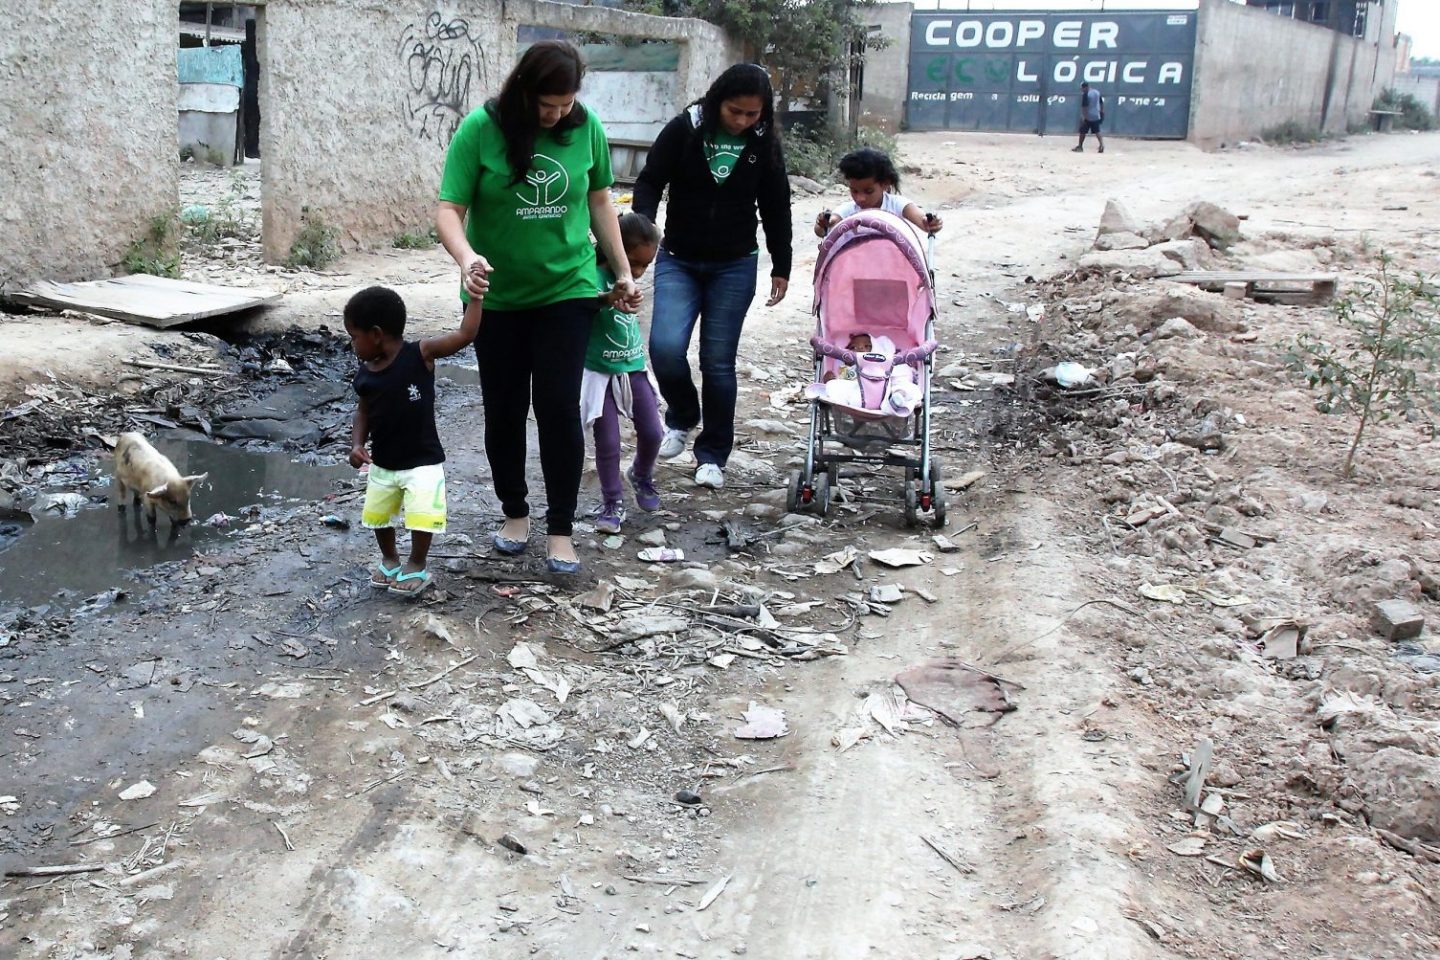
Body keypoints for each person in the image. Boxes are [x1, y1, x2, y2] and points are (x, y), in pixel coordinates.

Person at [436, 40, 640, 575]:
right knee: (504, 409)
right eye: (546, 105)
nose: (555, 115)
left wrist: (619, 270)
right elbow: (449, 208)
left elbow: (600, 201)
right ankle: (514, 513)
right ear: (523, 91)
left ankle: (561, 528)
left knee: (557, 406)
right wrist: (466, 257)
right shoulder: (480, 129)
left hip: (566, 290)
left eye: (564, 105)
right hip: (496, 295)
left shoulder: (586, 125)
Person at [633, 63, 793, 491]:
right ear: (717, 100)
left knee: (717, 363)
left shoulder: (764, 142)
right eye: (734, 111)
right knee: (664, 348)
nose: (742, 121)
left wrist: (782, 264)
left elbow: (777, 206)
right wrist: (641, 229)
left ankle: (713, 453)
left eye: (751, 114)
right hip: (678, 259)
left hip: (735, 264)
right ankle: (683, 416)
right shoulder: (686, 128)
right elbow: (650, 181)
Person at [346, 286, 482, 598]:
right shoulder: (365, 373)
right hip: (383, 462)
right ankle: (391, 559)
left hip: (422, 460)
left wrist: (476, 297)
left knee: (422, 514)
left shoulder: (420, 354)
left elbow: (465, 334)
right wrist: (357, 444)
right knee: (379, 516)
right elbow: (362, 411)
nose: (352, 344)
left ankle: (417, 563)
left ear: (376, 334)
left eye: (354, 336)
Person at [581, 213, 664, 535]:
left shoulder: (630, 280)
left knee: (654, 432)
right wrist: (608, 299)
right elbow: (583, 305)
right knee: (609, 442)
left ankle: (641, 474)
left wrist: (629, 293)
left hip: (632, 367)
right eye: (634, 263)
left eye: (646, 266)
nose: (639, 272)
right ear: (612, 249)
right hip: (599, 372)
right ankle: (612, 501)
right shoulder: (590, 274)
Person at [813, 148, 944, 237]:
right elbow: (825, 228)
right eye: (854, 191)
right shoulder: (847, 211)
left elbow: (923, 221)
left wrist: (931, 223)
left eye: (868, 191)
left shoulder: (897, 205)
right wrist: (824, 223)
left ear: (885, 184)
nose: (860, 198)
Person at [1074, 82, 1105, 154]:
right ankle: (1101, 145)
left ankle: (1080, 146)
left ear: (1085, 87)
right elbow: (1101, 103)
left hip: (1088, 116)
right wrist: (1102, 112)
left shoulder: (1086, 94)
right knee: (1097, 131)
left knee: (1082, 131)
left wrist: (1084, 117)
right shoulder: (1097, 92)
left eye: (1082, 88)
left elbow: (1084, 107)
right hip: (1096, 115)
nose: (1081, 90)